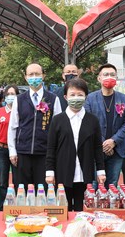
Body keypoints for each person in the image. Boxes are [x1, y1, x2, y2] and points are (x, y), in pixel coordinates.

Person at [46, 79, 107, 211]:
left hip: (84, 172)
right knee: (64, 209)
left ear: (86, 96)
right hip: (63, 172)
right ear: (65, 97)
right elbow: (51, 147)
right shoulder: (57, 120)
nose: (76, 98)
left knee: (82, 210)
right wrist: (50, 171)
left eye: (80, 94)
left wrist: (101, 171)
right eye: (72, 95)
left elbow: (97, 147)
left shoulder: (92, 120)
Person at [8, 63, 62, 188]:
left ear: (43, 76)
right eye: (31, 74)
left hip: (45, 154)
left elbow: (58, 129)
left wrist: (54, 153)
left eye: (37, 74)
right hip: (22, 153)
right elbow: (13, 127)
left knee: (44, 192)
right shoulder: (19, 99)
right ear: (25, 77)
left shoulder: (53, 99)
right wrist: (12, 151)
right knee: (22, 192)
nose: (34, 77)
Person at [84, 63, 125, 187]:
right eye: (105, 74)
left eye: (112, 75)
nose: (109, 77)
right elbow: (87, 123)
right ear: (99, 78)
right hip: (95, 149)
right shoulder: (90, 98)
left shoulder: (124, 99)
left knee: (112, 185)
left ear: (116, 78)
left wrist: (113, 141)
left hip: (117, 150)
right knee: (93, 185)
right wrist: (104, 144)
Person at [0, 86, 19, 209]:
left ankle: (16, 207)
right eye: (8, 94)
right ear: (4, 96)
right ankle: (2, 208)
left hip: (16, 150)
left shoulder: (20, 111)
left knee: (17, 181)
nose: (11, 96)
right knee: (2, 181)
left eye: (13, 94)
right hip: (2, 150)